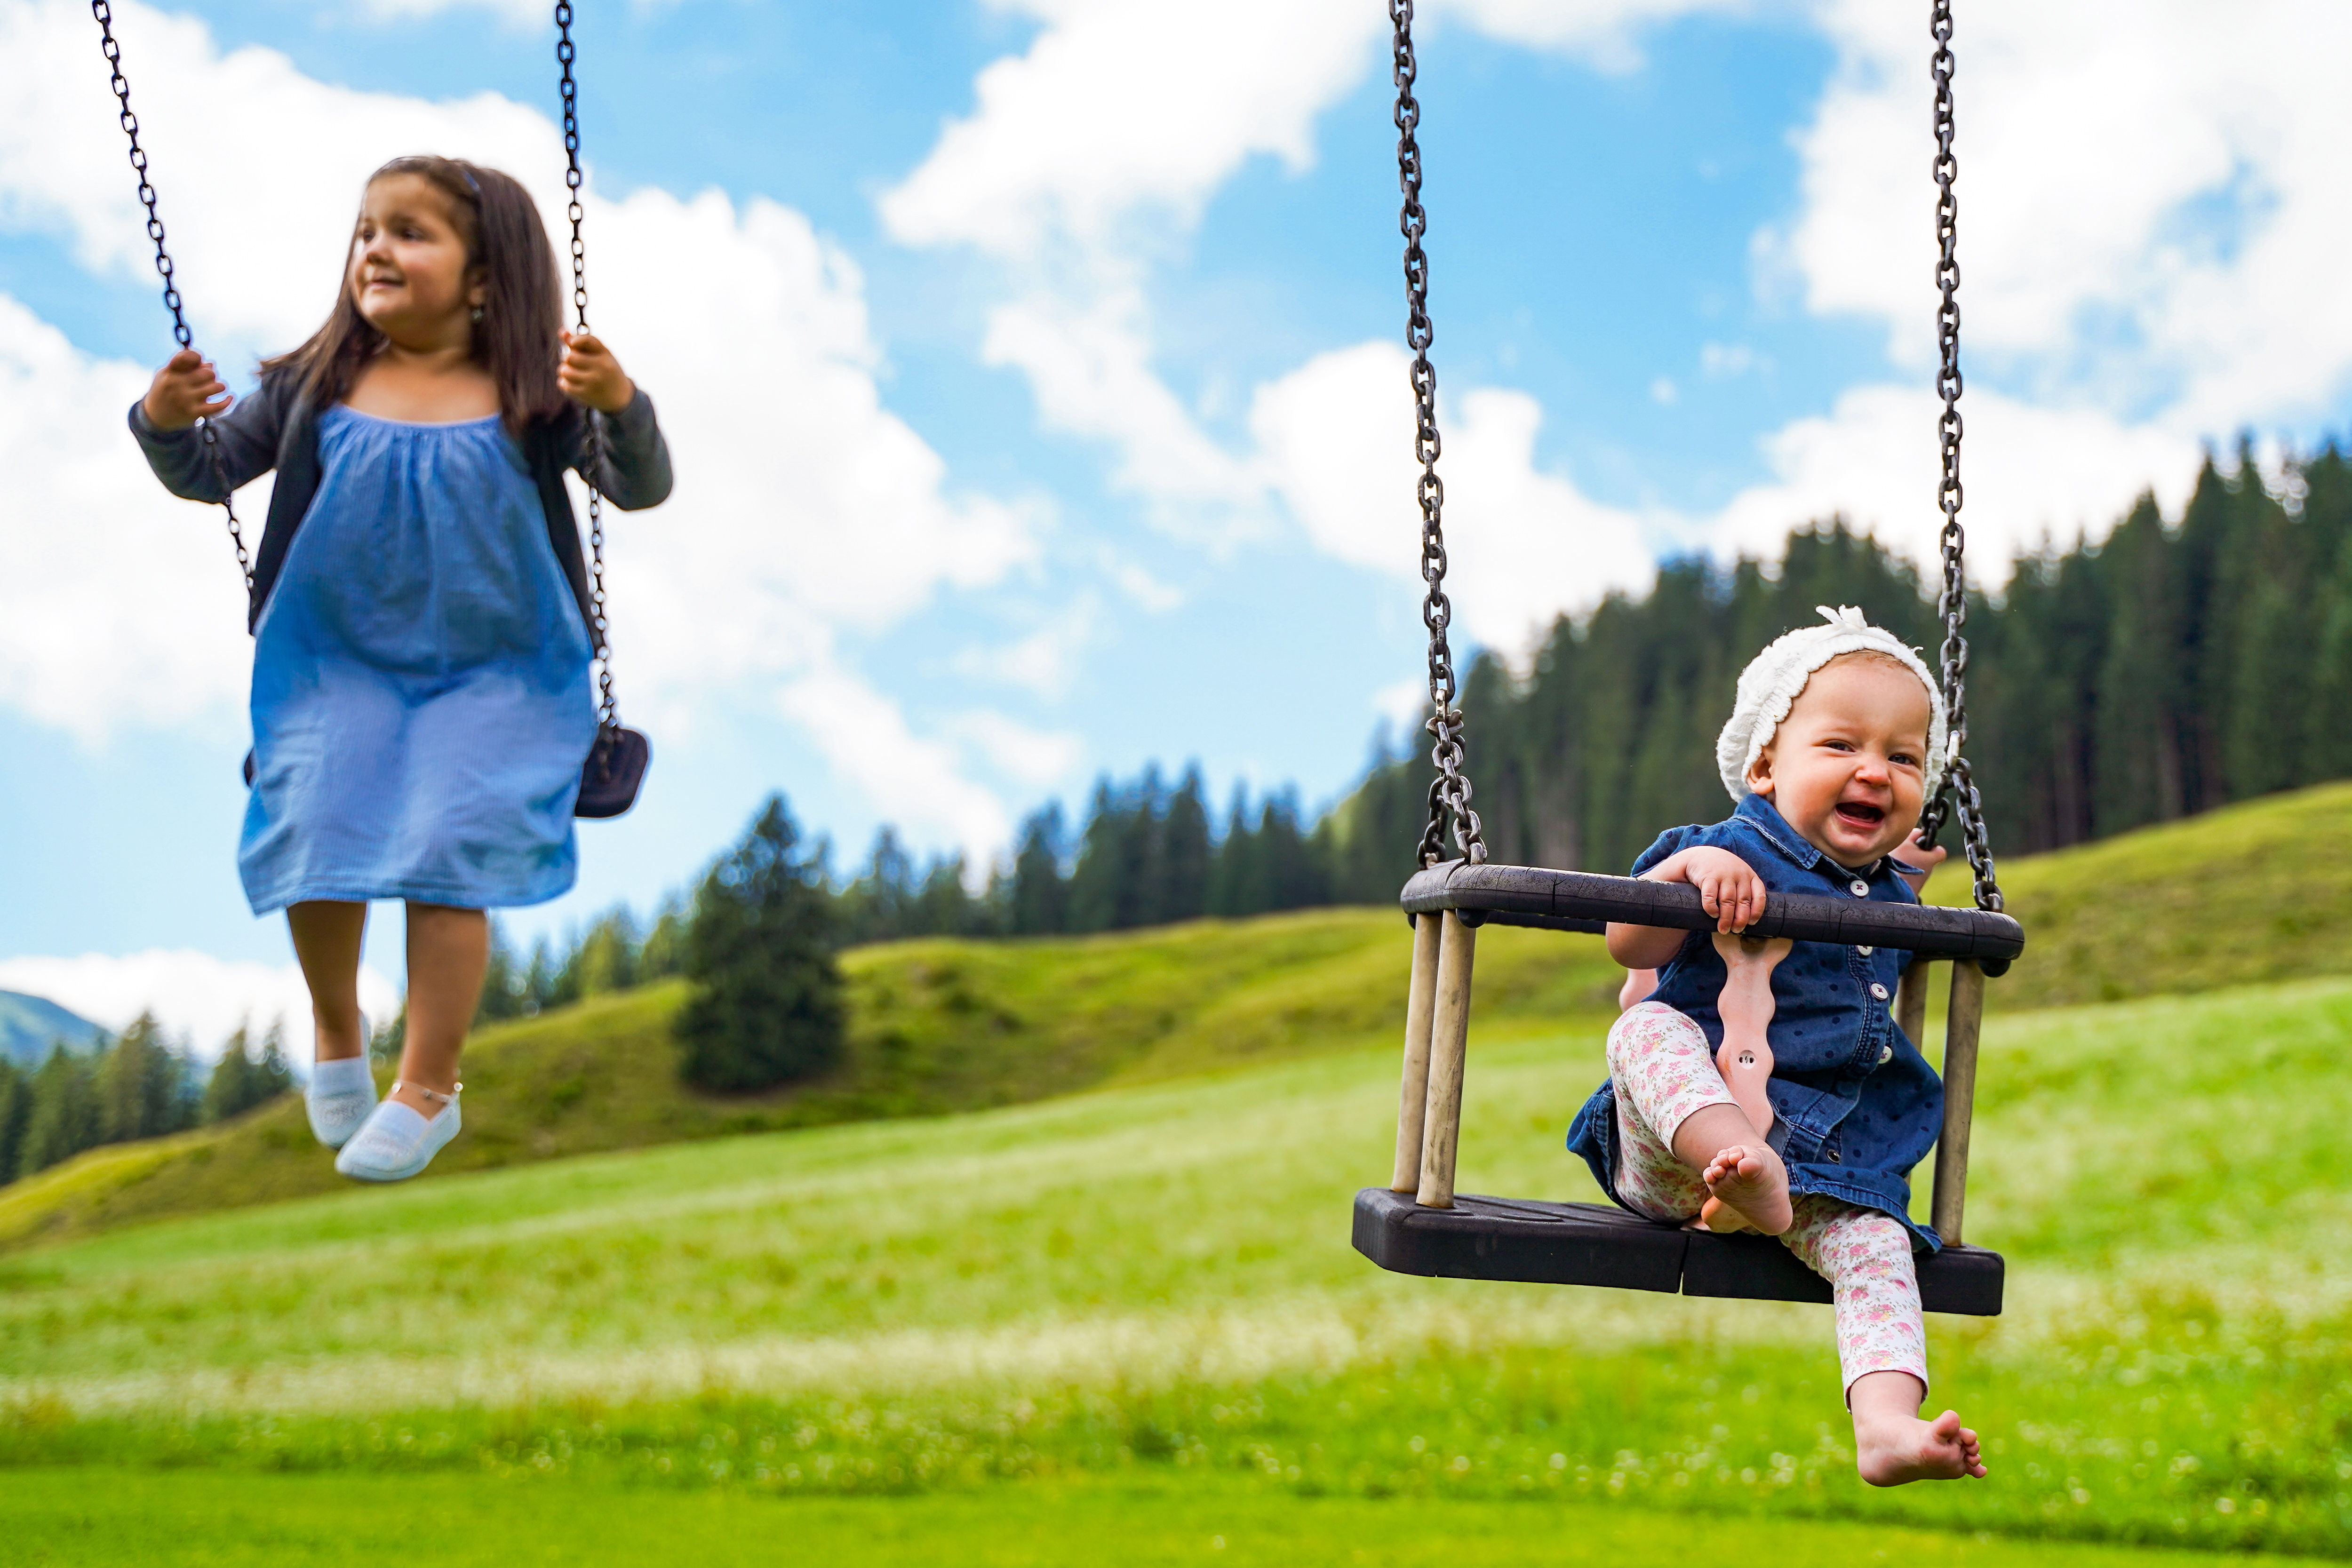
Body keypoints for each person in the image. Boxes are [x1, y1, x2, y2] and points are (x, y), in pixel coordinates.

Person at [129, 156, 671, 1183]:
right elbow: (208, 472)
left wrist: (620, 402)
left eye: (410, 233)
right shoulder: (312, 386)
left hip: (497, 669)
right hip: (337, 661)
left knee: (447, 851)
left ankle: (428, 1086)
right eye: (367, 230)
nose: (376, 249)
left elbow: (636, 487)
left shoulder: (536, 398)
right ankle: (338, 1028)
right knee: (317, 826)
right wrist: (163, 420)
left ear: (485, 279)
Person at [1565, 605, 1989, 1486]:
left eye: (1905, 758)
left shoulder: (1891, 895)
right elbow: (1627, 942)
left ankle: (1886, 1427)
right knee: (1646, 1029)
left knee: (1879, 1251)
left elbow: (1890, 885)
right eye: (1840, 745)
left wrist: (1912, 872)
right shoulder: (1719, 849)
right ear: (1765, 766)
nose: (1875, 769)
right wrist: (1686, 877)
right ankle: (1739, 1159)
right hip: (1675, 1160)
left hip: (1815, 1179)